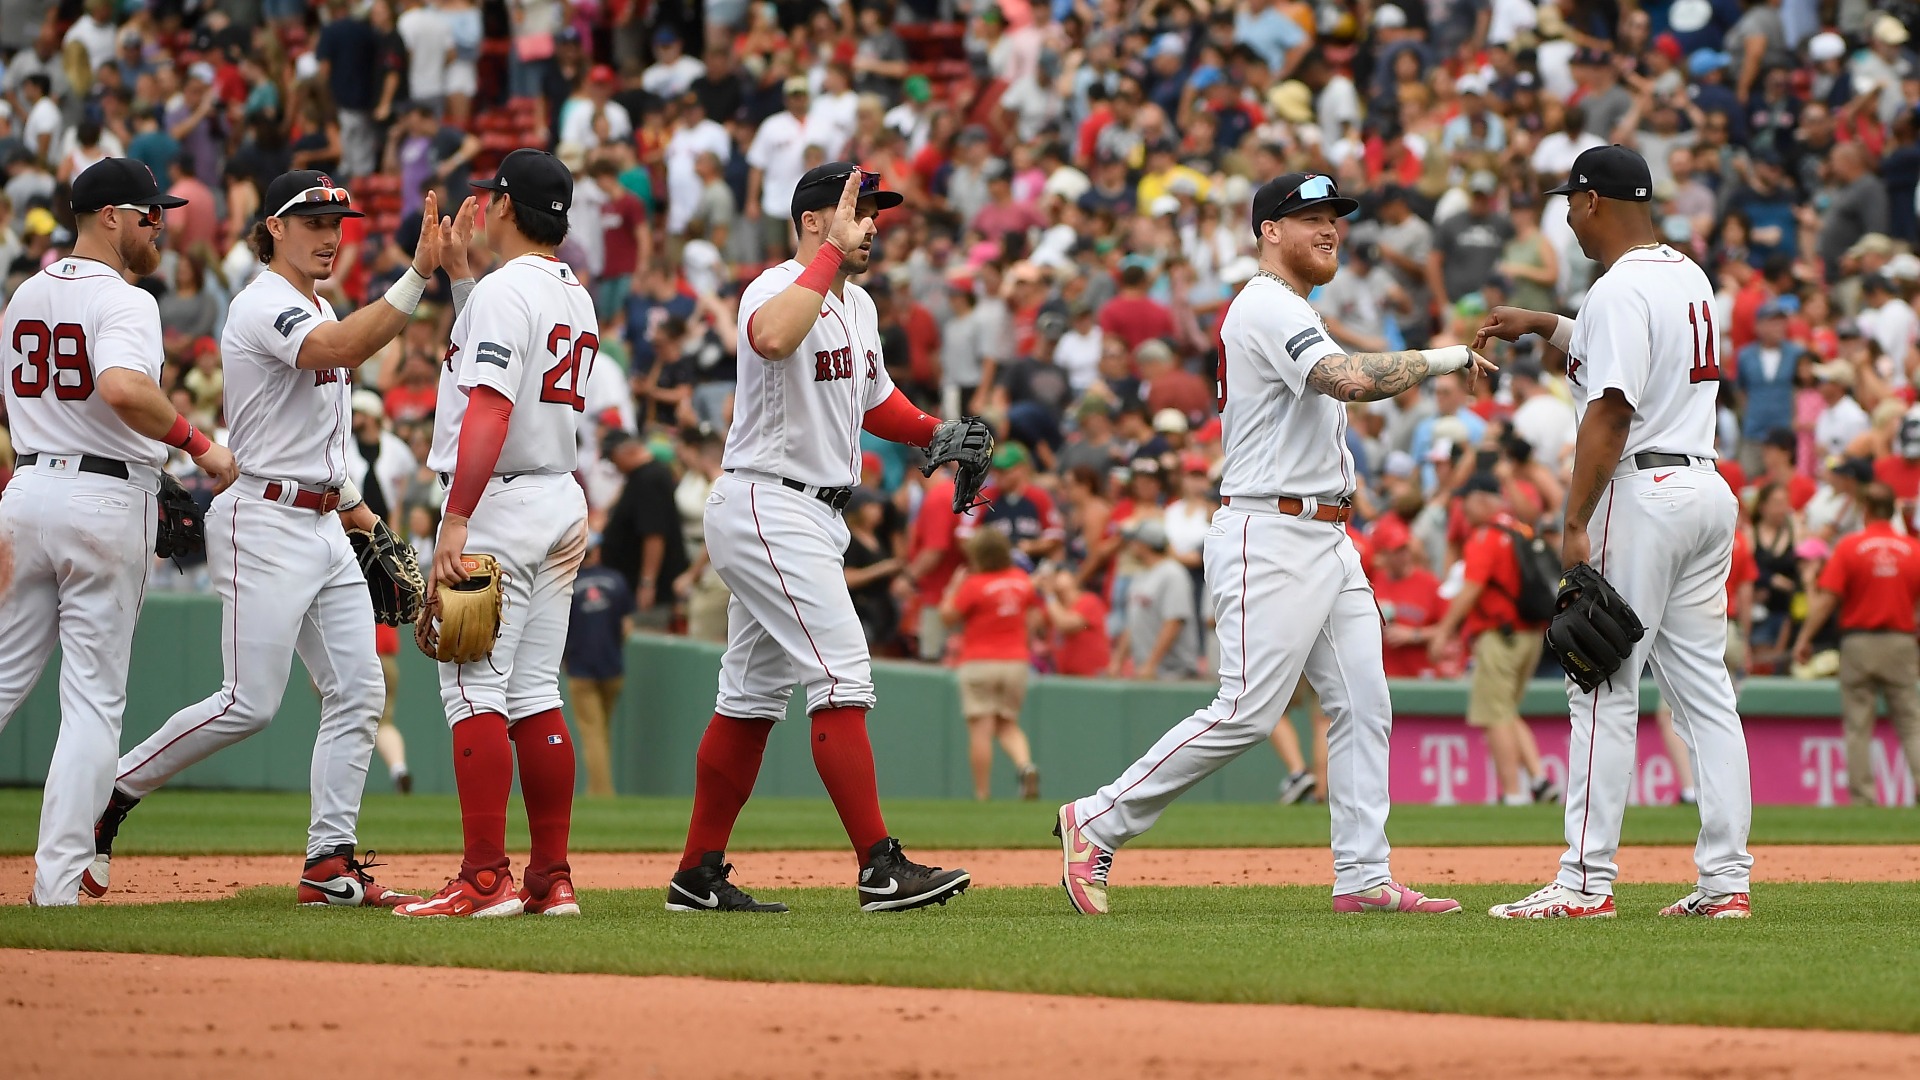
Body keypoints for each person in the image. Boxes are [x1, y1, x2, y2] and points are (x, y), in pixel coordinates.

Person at [1057, 172, 1491, 916]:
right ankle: (1098, 817)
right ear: (1269, 231)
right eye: (1310, 216)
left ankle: (1362, 876)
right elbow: (1345, 379)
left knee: (1364, 703)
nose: (1330, 229)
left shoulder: (1293, 307)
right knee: (1247, 711)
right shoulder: (1263, 304)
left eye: (1335, 217)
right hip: (1271, 528)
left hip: (1326, 532)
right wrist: (1447, 357)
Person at [94, 169, 435, 909]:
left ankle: (328, 863)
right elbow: (337, 350)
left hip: (320, 519)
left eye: (335, 222)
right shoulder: (262, 303)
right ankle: (111, 789)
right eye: (312, 220)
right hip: (265, 516)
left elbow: (325, 443)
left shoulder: (318, 301)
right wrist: (417, 276)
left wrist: (365, 517)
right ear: (274, 228)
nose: (328, 234)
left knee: (360, 690)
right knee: (250, 703)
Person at [662, 163, 972, 915]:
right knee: (843, 673)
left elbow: (876, 399)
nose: (873, 225)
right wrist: (827, 255)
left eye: (874, 213)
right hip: (770, 499)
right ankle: (878, 867)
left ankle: (696, 873)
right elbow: (771, 339)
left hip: (811, 512)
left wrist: (939, 433)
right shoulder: (774, 289)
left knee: (751, 698)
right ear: (813, 220)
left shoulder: (858, 305)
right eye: (859, 211)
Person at [1477, 145, 1753, 919]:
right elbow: (1636, 357)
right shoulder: (1684, 273)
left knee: (1599, 684)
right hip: (1703, 485)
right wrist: (1550, 326)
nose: (1565, 212)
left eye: (1570, 199)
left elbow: (1612, 408)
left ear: (1594, 200)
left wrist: (1572, 520)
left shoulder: (1618, 286)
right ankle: (1726, 883)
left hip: (1642, 492)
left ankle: (1583, 883)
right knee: (1705, 695)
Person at [0, 160, 236, 907]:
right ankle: (58, 883)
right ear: (109, 216)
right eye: (147, 213)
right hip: (101, 501)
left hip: (28, 487)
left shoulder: (23, 295)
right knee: (94, 702)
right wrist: (202, 447)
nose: (159, 224)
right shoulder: (125, 300)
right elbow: (124, 388)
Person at [396, 149, 597, 920]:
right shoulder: (572, 290)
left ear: (507, 206)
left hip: (500, 504)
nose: (481, 208)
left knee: (471, 686)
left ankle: (484, 878)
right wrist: (461, 280)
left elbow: (490, 407)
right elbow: (506, 349)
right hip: (557, 498)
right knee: (534, 691)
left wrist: (454, 519)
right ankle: (551, 877)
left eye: (491, 198)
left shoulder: (509, 291)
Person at [1425, 472, 1557, 805]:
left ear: (1482, 499)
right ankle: (1539, 779)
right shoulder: (1521, 529)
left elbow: (1471, 589)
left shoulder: (1485, 535)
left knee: (1495, 714)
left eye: (1465, 501)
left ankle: (1513, 794)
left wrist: (1443, 632)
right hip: (1530, 636)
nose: (1461, 509)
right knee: (1507, 709)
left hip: (1502, 636)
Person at [1792, 482, 1920, 805]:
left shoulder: (1850, 547)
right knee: (1911, 723)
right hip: (1901, 643)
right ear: (1892, 510)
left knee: (1858, 726)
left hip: (1858, 643)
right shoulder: (1913, 550)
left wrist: (1804, 639)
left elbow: (1826, 601)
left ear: (1864, 511)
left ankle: (1863, 799)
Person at [940, 527, 1043, 800]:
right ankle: (1025, 765)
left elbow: (948, 617)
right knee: (1007, 723)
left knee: (981, 728)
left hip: (979, 661)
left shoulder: (975, 584)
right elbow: (1035, 620)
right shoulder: (1022, 580)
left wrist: (952, 588)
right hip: (1016, 662)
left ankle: (982, 794)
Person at [565, 540, 634, 798]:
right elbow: (627, 627)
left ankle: (602, 793)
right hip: (612, 667)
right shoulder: (616, 581)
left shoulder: (567, 586)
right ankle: (595, 789)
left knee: (592, 733)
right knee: (601, 730)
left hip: (581, 668)